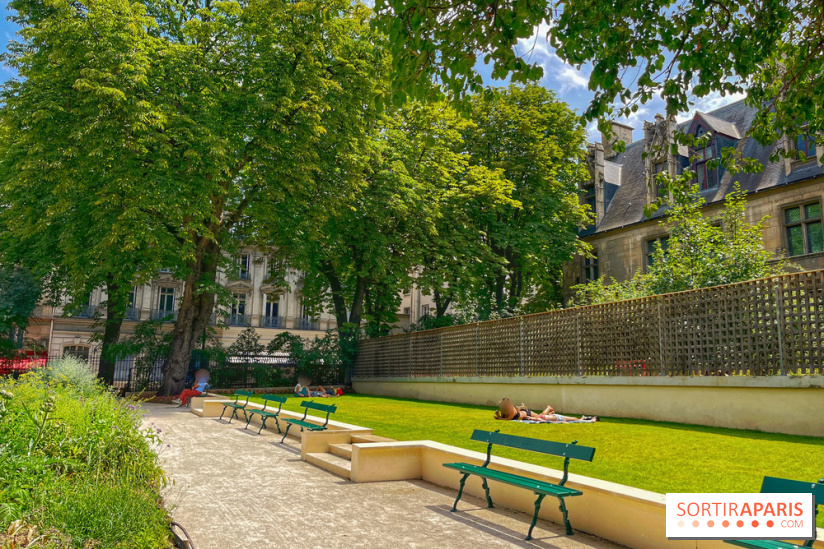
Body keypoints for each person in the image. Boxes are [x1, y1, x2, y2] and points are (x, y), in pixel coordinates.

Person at [494, 397, 598, 423]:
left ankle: (548, 408)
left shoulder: (511, 410)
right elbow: (505, 418)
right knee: (573, 419)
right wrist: (498, 416)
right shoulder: (504, 409)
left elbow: (508, 419)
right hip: (550, 418)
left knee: (574, 419)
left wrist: (499, 419)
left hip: (532, 414)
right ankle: (586, 419)